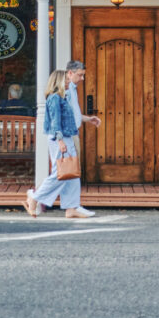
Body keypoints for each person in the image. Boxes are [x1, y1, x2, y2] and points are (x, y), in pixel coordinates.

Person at [26, 70, 96, 221]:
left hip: (66, 137)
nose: (68, 81)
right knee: (61, 173)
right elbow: (55, 122)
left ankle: (71, 208)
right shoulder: (54, 98)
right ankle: (35, 197)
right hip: (61, 138)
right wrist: (60, 140)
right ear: (58, 81)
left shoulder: (62, 97)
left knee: (71, 173)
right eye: (65, 79)